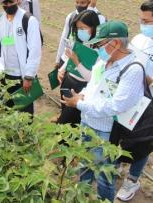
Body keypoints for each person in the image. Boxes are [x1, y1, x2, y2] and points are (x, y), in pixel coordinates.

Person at [62, 21, 145, 202]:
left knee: (104, 178)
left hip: (106, 134)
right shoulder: (104, 60)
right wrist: (81, 95)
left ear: (115, 44)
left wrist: (79, 105)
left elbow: (116, 106)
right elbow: (93, 84)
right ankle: (81, 197)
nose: (97, 47)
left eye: (100, 44)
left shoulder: (133, 69)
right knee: (84, 166)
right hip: (88, 122)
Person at [115, 1, 153, 201]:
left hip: (150, 105)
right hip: (131, 98)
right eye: (141, 20)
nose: (143, 24)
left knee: (144, 143)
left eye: (147, 21)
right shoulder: (138, 39)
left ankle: (133, 179)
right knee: (122, 134)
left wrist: (143, 77)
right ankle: (118, 164)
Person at [0, 0, 41, 114]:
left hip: (22, 77)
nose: (8, 5)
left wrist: (28, 76)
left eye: (11, 1)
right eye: (5, 2)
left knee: (25, 115)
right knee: (6, 110)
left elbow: (35, 51)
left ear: (18, 1)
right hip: (5, 75)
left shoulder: (29, 20)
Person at [56, 10, 100, 125]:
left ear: (94, 27)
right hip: (68, 82)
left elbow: (92, 78)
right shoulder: (79, 41)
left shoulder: (99, 49)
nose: (80, 32)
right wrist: (62, 70)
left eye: (83, 28)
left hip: (81, 87)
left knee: (68, 121)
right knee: (65, 112)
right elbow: (71, 57)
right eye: (78, 28)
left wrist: (77, 62)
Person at [55, 0, 106, 69]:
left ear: (91, 2)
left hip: (84, 64)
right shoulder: (71, 16)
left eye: (82, 3)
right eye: (77, 2)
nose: (79, 6)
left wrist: (89, 9)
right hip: (66, 59)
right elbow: (64, 37)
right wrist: (58, 60)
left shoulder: (100, 19)